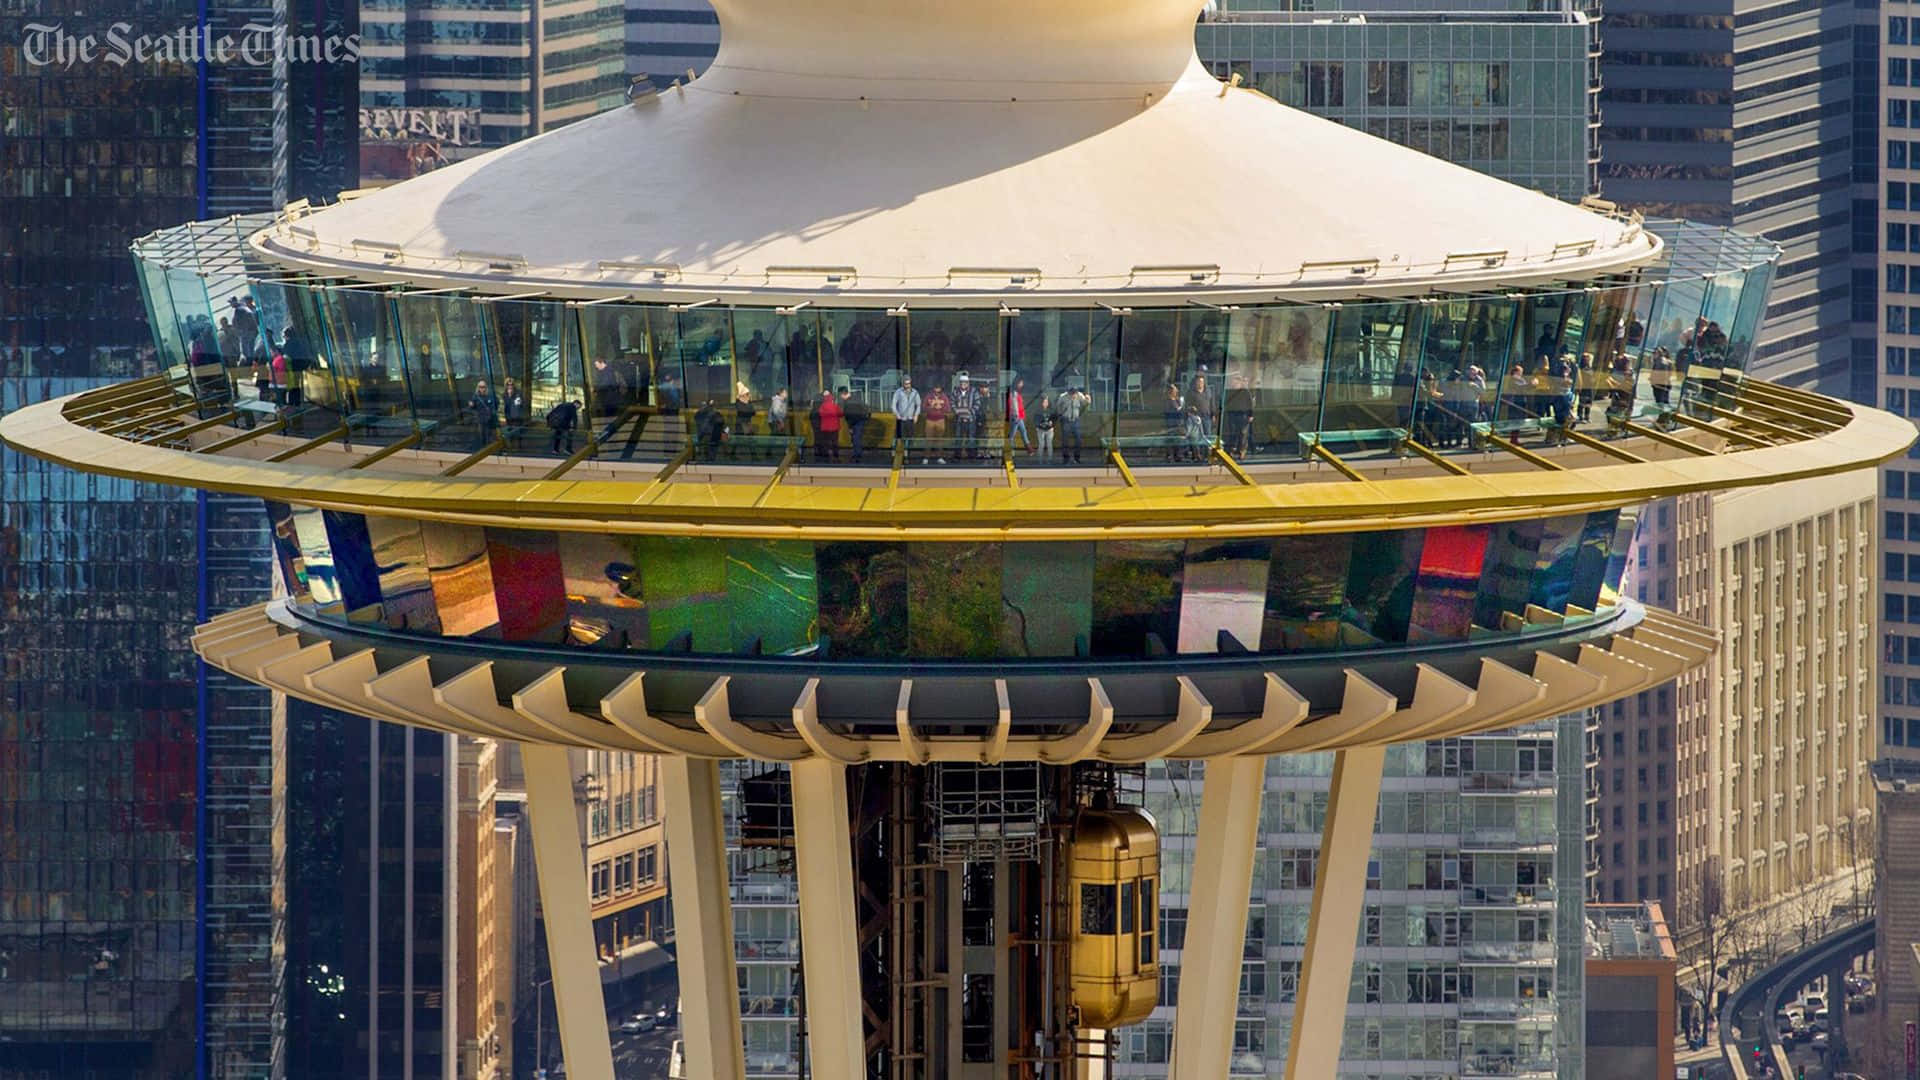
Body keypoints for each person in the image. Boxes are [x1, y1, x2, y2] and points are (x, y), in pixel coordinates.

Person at [951, 372, 984, 459]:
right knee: (958, 437)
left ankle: (971, 456)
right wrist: (957, 411)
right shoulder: (955, 391)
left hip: (971, 419)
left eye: (965, 382)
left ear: (968, 383)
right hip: (959, 419)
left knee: (971, 438)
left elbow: (977, 404)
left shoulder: (974, 391)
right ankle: (957, 455)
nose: (963, 384)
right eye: (962, 382)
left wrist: (970, 412)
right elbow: (952, 403)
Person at [1057, 383, 1090, 463]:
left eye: (1074, 393)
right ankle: (1066, 458)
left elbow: (1084, 404)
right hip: (1066, 420)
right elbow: (1058, 406)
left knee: (1079, 440)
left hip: (1075, 420)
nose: (1073, 395)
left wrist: (1088, 400)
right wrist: (1060, 415)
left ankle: (1077, 458)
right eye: (1072, 393)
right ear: (1069, 392)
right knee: (1065, 440)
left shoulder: (1080, 395)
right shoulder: (1063, 396)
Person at [1223, 373, 1254, 459]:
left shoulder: (1245, 392)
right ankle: (1232, 450)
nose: (1236, 383)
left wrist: (1251, 415)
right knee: (1233, 433)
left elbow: (1250, 404)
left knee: (1243, 434)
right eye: (1234, 381)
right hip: (1232, 415)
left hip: (1243, 415)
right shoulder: (1229, 391)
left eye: (1237, 381)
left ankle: (1242, 451)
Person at [839, 387, 872, 463]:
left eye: (840, 395)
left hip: (856, 422)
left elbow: (849, 416)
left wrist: (850, 427)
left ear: (843, 394)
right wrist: (867, 418)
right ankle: (857, 453)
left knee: (855, 438)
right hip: (860, 420)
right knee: (857, 438)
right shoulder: (856, 398)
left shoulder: (848, 402)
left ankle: (857, 454)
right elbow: (866, 408)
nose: (840, 397)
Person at [467, 379, 500, 451]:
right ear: (478, 387)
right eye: (480, 387)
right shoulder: (475, 397)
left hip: (491, 420)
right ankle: (485, 449)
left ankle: (494, 450)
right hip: (481, 420)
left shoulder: (491, 395)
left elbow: (497, 404)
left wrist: (492, 411)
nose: (482, 388)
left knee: (492, 436)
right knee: (483, 436)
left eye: (483, 387)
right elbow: (472, 407)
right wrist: (471, 405)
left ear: (486, 387)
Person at [922, 383, 951, 462]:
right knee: (928, 439)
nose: (937, 392)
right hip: (929, 420)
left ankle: (940, 457)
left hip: (940, 420)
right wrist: (931, 406)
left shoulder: (944, 397)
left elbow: (948, 409)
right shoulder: (928, 396)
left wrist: (941, 407)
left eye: (938, 391)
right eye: (935, 390)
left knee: (940, 440)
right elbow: (923, 408)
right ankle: (926, 457)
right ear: (933, 389)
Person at [1188, 372, 1216, 451]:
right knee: (1196, 436)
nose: (1200, 383)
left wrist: (1213, 414)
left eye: (1202, 382)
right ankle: (1197, 454)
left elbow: (1212, 403)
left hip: (1207, 417)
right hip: (1196, 418)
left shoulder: (1208, 391)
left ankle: (1206, 453)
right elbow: (1187, 405)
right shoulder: (1191, 392)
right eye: (1199, 381)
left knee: (1207, 435)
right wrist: (1191, 409)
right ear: (1196, 382)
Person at [891, 374, 922, 445]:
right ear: (903, 384)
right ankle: (902, 449)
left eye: (909, 383)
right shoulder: (898, 392)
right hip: (901, 419)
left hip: (911, 419)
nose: (907, 385)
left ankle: (909, 450)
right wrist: (897, 415)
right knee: (901, 437)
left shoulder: (915, 392)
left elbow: (918, 405)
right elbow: (893, 405)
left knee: (911, 437)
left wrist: (916, 415)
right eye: (906, 384)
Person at [812, 391, 842, 461]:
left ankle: (826, 455)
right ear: (832, 399)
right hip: (834, 427)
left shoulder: (822, 406)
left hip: (825, 427)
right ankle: (836, 455)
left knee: (825, 442)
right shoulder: (835, 406)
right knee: (835, 442)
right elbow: (840, 414)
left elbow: (820, 414)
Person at [1005, 376, 1031, 452]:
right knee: (1012, 434)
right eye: (1021, 383)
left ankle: (1028, 448)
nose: (1022, 384)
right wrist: (1016, 415)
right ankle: (1008, 448)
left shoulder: (1016, 393)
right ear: (1017, 383)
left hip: (1018, 416)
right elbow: (1014, 404)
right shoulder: (1014, 393)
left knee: (1023, 431)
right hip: (1016, 416)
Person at [501, 378, 530, 448]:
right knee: (510, 432)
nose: (510, 386)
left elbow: (522, 403)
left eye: (511, 384)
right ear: (506, 385)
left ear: (514, 385)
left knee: (518, 432)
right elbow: (506, 405)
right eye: (508, 384)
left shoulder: (518, 393)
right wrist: (509, 396)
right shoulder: (504, 394)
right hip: (509, 417)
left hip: (518, 416)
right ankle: (511, 446)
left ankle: (519, 446)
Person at [1161, 382, 1185, 460]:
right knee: (1170, 439)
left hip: (1178, 423)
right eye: (1174, 390)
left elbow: (1181, 410)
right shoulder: (1167, 401)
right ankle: (1170, 455)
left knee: (1178, 440)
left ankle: (1178, 455)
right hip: (1171, 423)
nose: (1175, 392)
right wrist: (1177, 409)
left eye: (1176, 390)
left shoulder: (1177, 400)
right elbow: (1167, 411)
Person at [1033, 393, 1057, 462]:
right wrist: (1039, 425)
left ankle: (1050, 459)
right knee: (1041, 444)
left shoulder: (1051, 410)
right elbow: (1035, 420)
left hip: (1049, 429)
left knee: (1049, 444)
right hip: (1041, 429)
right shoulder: (1038, 410)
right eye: (1044, 402)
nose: (1045, 403)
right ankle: (1040, 460)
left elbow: (1055, 418)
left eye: (1046, 402)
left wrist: (1052, 423)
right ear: (1041, 402)